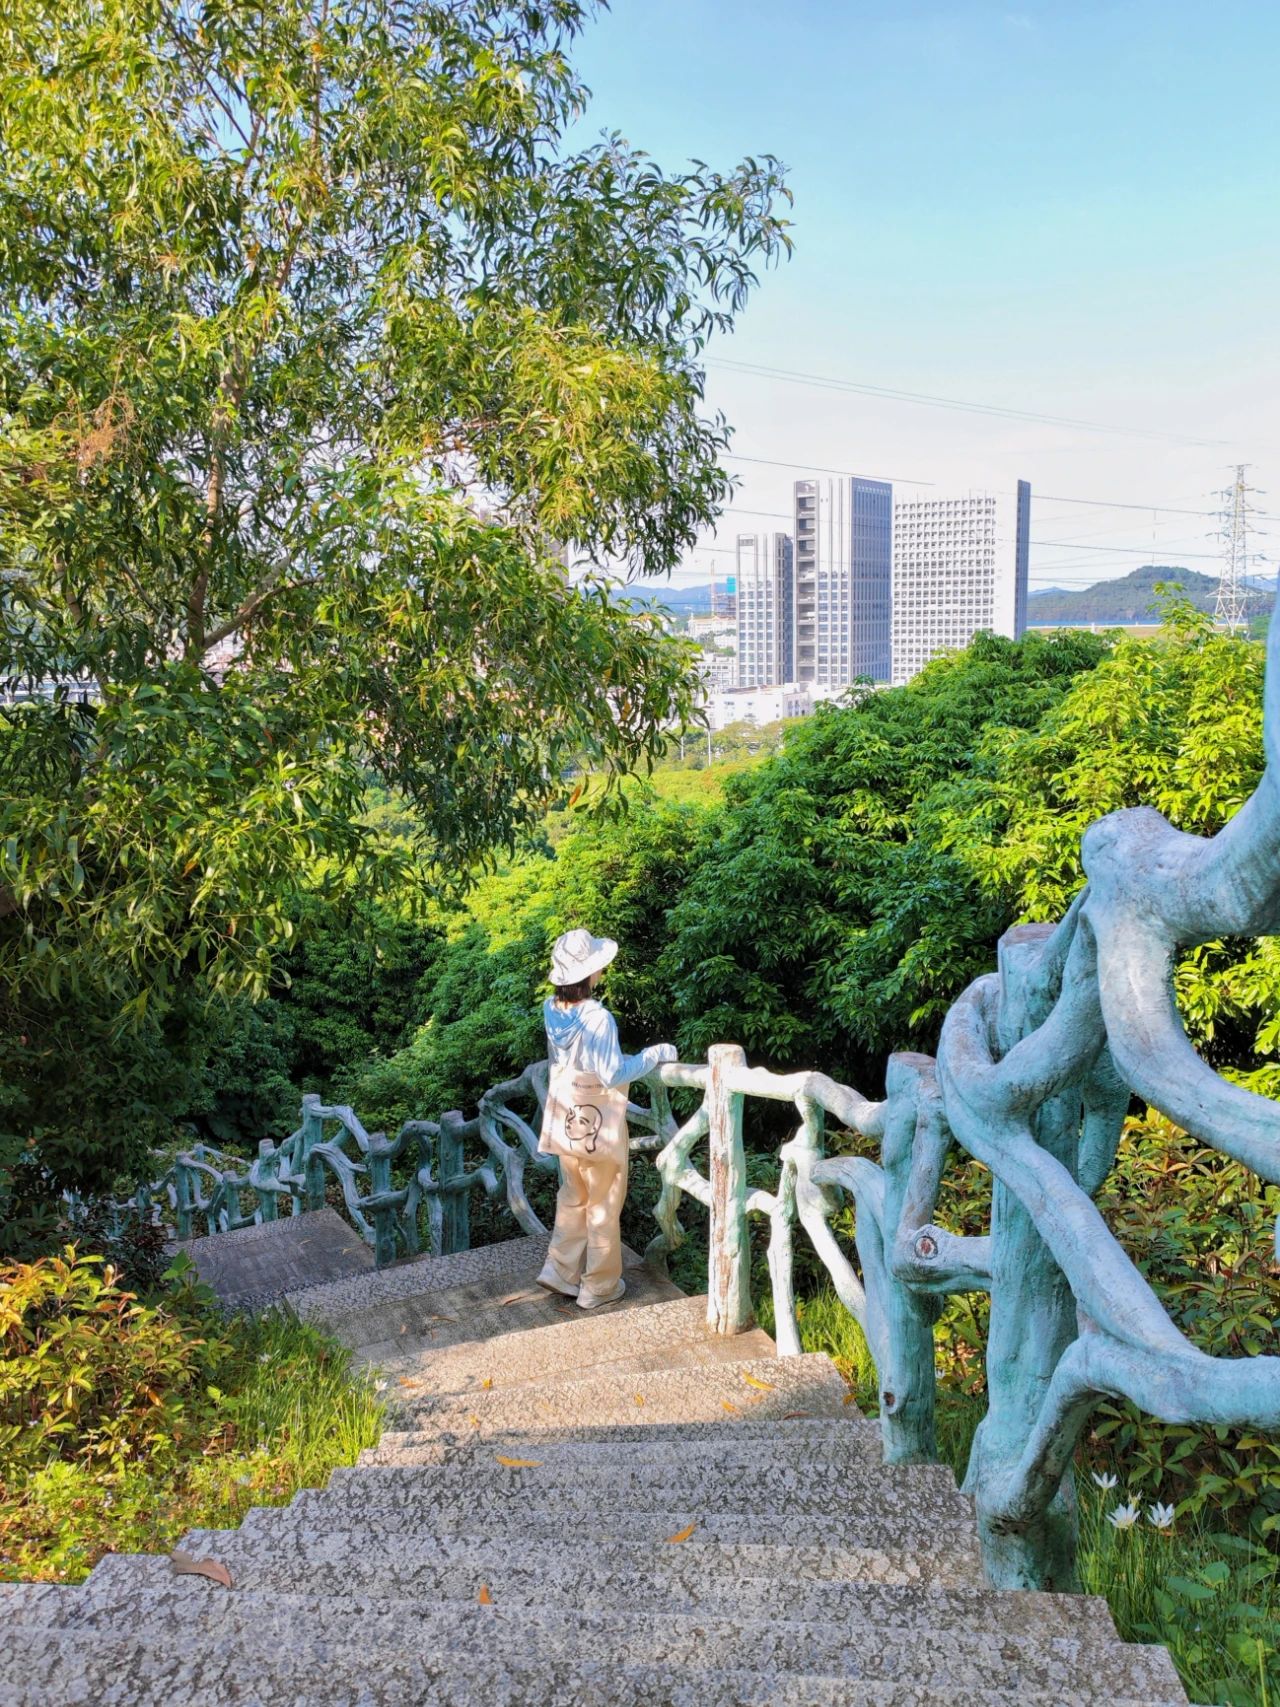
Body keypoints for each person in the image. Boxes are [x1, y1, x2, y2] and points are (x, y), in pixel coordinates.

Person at [536, 928, 677, 1309]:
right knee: (603, 1200)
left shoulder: (552, 1009)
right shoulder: (597, 1017)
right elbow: (612, 1072)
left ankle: (560, 1272)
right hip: (598, 1122)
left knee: (572, 1196)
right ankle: (598, 1286)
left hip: (567, 1116)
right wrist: (654, 1054)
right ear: (590, 972)